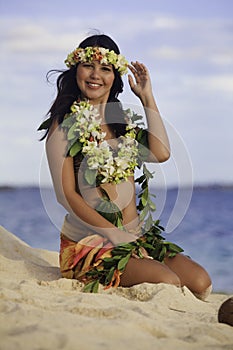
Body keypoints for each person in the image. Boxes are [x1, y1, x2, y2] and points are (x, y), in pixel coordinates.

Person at [38, 33, 212, 298]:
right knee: (168, 282)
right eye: (88, 66)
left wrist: (147, 98)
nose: (96, 74)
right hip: (91, 244)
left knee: (201, 282)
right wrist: (115, 235)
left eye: (105, 68)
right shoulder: (64, 125)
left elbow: (161, 152)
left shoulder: (122, 126)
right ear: (76, 70)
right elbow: (66, 196)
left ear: (114, 77)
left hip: (134, 237)